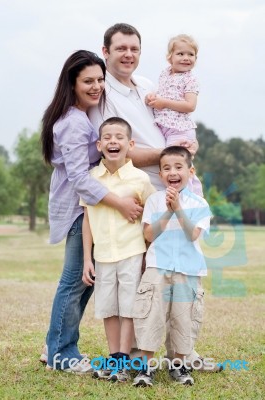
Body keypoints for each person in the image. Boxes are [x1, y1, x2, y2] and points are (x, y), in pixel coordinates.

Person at [89, 23, 221, 373]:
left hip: (171, 182)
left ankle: (180, 354)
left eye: (134, 48)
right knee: (142, 273)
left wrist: (184, 162)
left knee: (175, 271)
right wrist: (168, 154)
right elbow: (115, 149)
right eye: (121, 48)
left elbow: (177, 117)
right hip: (139, 189)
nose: (128, 54)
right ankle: (135, 354)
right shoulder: (104, 96)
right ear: (106, 52)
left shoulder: (148, 86)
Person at [40, 50, 143, 373]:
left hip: (90, 209)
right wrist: (122, 202)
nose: (97, 86)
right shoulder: (72, 123)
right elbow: (80, 179)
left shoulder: (84, 117)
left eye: (100, 79)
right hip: (77, 210)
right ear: (72, 84)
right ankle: (60, 352)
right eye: (88, 81)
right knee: (74, 282)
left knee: (85, 281)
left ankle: (56, 346)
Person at [80, 117, 155, 382]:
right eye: (108, 138)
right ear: (99, 145)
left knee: (129, 309)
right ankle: (114, 360)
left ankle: (123, 361)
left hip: (131, 252)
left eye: (119, 137)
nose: (113, 141)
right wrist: (87, 258)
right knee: (108, 309)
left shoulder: (140, 179)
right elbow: (87, 220)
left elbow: (150, 217)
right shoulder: (91, 178)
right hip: (102, 256)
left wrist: (148, 254)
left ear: (130, 144)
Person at [132, 146, 212, 387]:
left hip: (188, 270)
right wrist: (167, 212)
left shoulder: (200, 203)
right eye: (166, 168)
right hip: (158, 266)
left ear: (190, 171)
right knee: (151, 315)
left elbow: (192, 235)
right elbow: (148, 234)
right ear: (160, 174)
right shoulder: (155, 201)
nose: (173, 172)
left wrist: (178, 209)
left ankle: (179, 366)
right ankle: (145, 369)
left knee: (183, 319)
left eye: (179, 167)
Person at [145, 34, 202, 196]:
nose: (186, 58)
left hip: (179, 130)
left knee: (177, 166)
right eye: (181, 54)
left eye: (191, 55)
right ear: (170, 57)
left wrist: (163, 103)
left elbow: (190, 106)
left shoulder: (190, 79)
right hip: (166, 128)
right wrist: (153, 97)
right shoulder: (165, 74)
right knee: (172, 166)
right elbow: (163, 94)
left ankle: (193, 195)